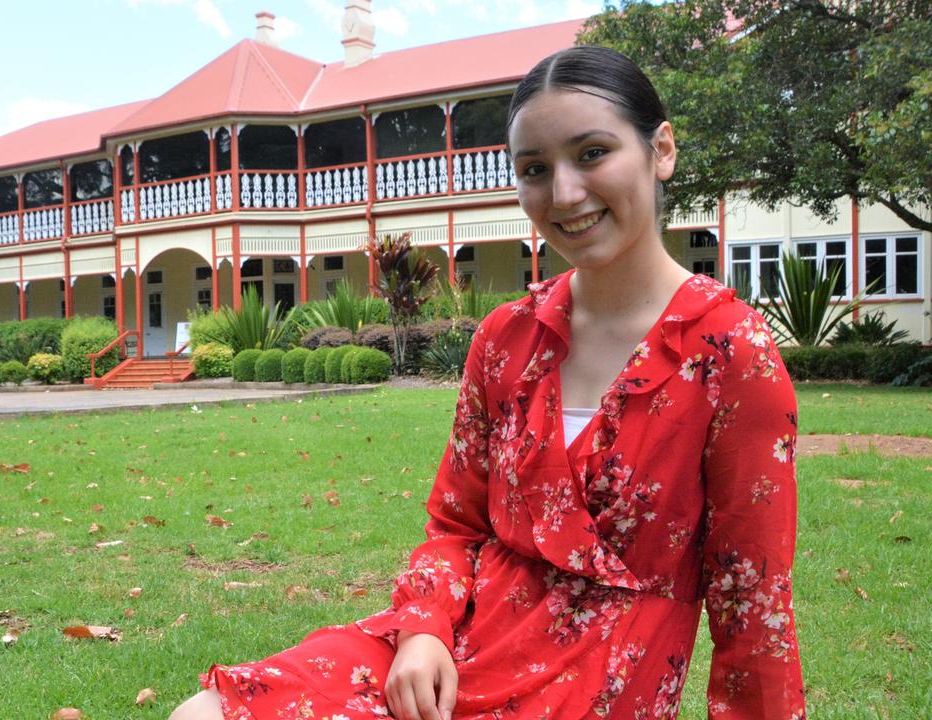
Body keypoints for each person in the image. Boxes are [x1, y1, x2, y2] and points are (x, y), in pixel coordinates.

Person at [170, 45, 806, 720]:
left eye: (592, 153)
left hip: (597, 678)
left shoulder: (729, 354)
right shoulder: (507, 339)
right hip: (448, 646)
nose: (564, 193)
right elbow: (455, 524)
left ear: (662, 150)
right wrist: (421, 626)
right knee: (206, 713)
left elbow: (752, 601)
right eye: (535, 168)